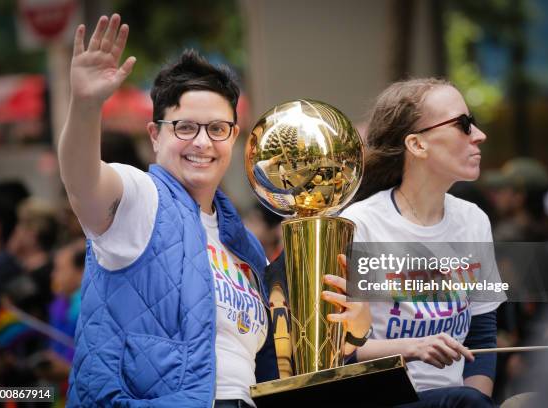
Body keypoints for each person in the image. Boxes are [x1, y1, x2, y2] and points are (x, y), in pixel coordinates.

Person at [59, 14, 371, 407]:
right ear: (156, 135)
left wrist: (353, 333)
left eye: (217, 129)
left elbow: (281, 365)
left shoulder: (246, 249)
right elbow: (82, 180)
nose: (203, 143)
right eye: (185, 127)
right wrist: (86, 105)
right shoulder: (142, 199)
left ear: (234, 137)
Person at [341, 78, 504, 407]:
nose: (479, 135)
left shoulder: (474, 220)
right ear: (416, 145)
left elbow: (482, 339)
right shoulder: (360, 224)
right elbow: (339, 350)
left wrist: (475, 399)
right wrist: (411, 348)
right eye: (463, 124)